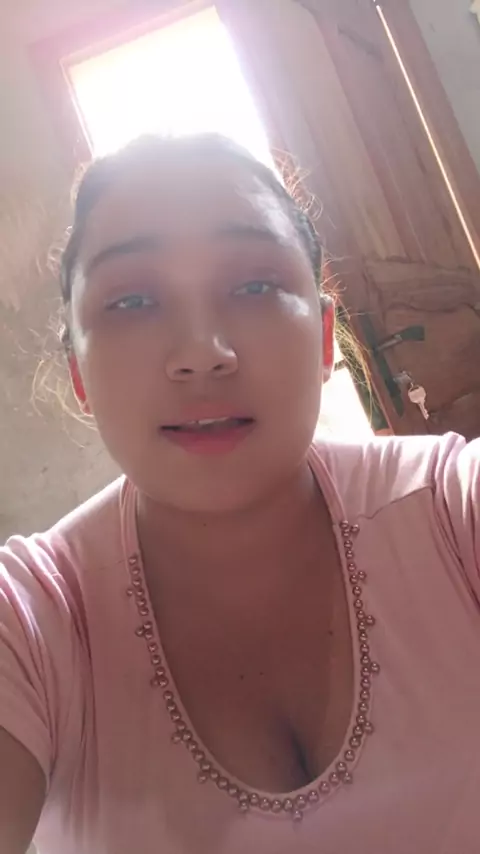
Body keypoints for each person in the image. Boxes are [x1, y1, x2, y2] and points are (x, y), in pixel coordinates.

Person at [1, 133, 479, 854]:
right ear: (79, 376)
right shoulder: (31, 622)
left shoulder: (451, 508)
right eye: (132, 300)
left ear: (326, 338)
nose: (202, 354)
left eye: (255, 286)